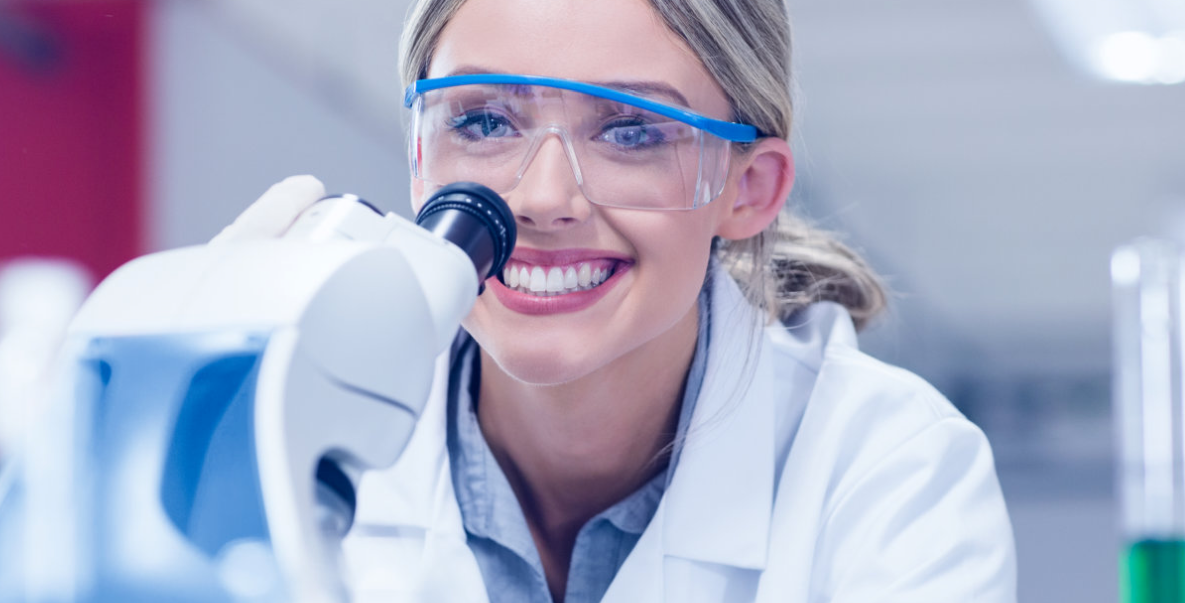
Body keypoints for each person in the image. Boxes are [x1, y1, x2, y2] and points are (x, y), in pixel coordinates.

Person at [230, 0, 1016, 600]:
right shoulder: (282, 436)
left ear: (746, 190)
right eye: (482, 121)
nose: (542, 198)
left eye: (631, 131)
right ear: (418, 156)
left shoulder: (888, 473)